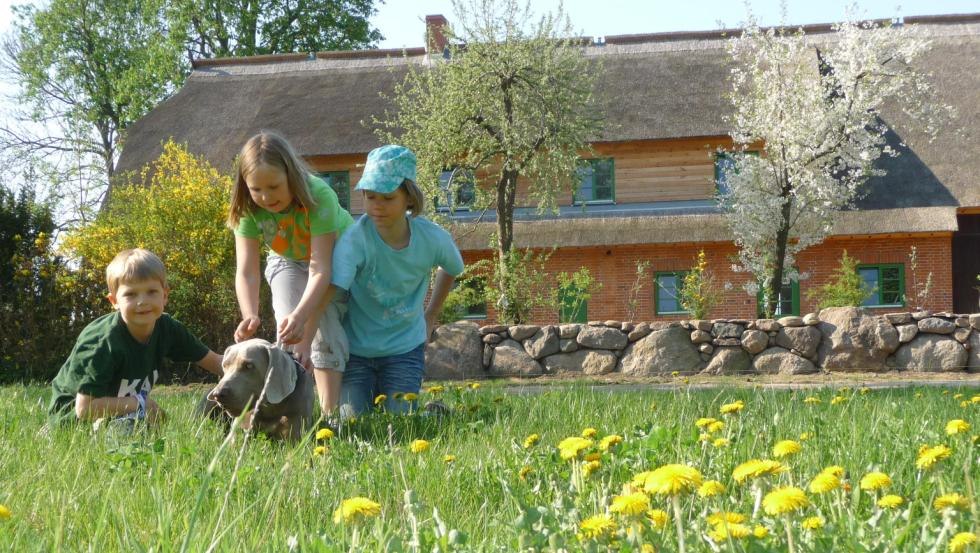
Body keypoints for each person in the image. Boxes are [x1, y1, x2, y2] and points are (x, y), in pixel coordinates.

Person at [325, 145, 464, 418]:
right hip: (356, 351)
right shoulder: (354, 240)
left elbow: (452, 268)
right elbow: (332, 290)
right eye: (370, 196)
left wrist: (431, 315)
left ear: (409, 199)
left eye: (388, 198)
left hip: (404, 349)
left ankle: (434, 414)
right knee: (354, 423)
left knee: (399, 421)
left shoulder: (432, 238)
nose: (377, 206)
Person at [227, 130, 354, 418]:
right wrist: (250, 313)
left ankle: (329, 416)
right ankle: (287, 413)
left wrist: (303, 318)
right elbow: (246, 271)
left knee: (326, 328)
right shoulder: (248, 208)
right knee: (288, 330)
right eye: (256, 189)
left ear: (291, 175)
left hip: (334, 260)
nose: (265, 197)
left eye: (274, 186)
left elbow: (320, 267)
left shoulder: (318, 196)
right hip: (286, 258)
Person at [47, 248, 224, 428]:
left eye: (151, 292)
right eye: (131, 294)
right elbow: (84, 409)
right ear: (114, 301)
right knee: (130, 430)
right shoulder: (103, 341)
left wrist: (248, 371)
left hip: (124, 412)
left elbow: (216, 362)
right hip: (75, 422)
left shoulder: (167, 328)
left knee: (218, 398)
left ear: (165, 295)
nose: (142, 301)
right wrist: (141, 403)